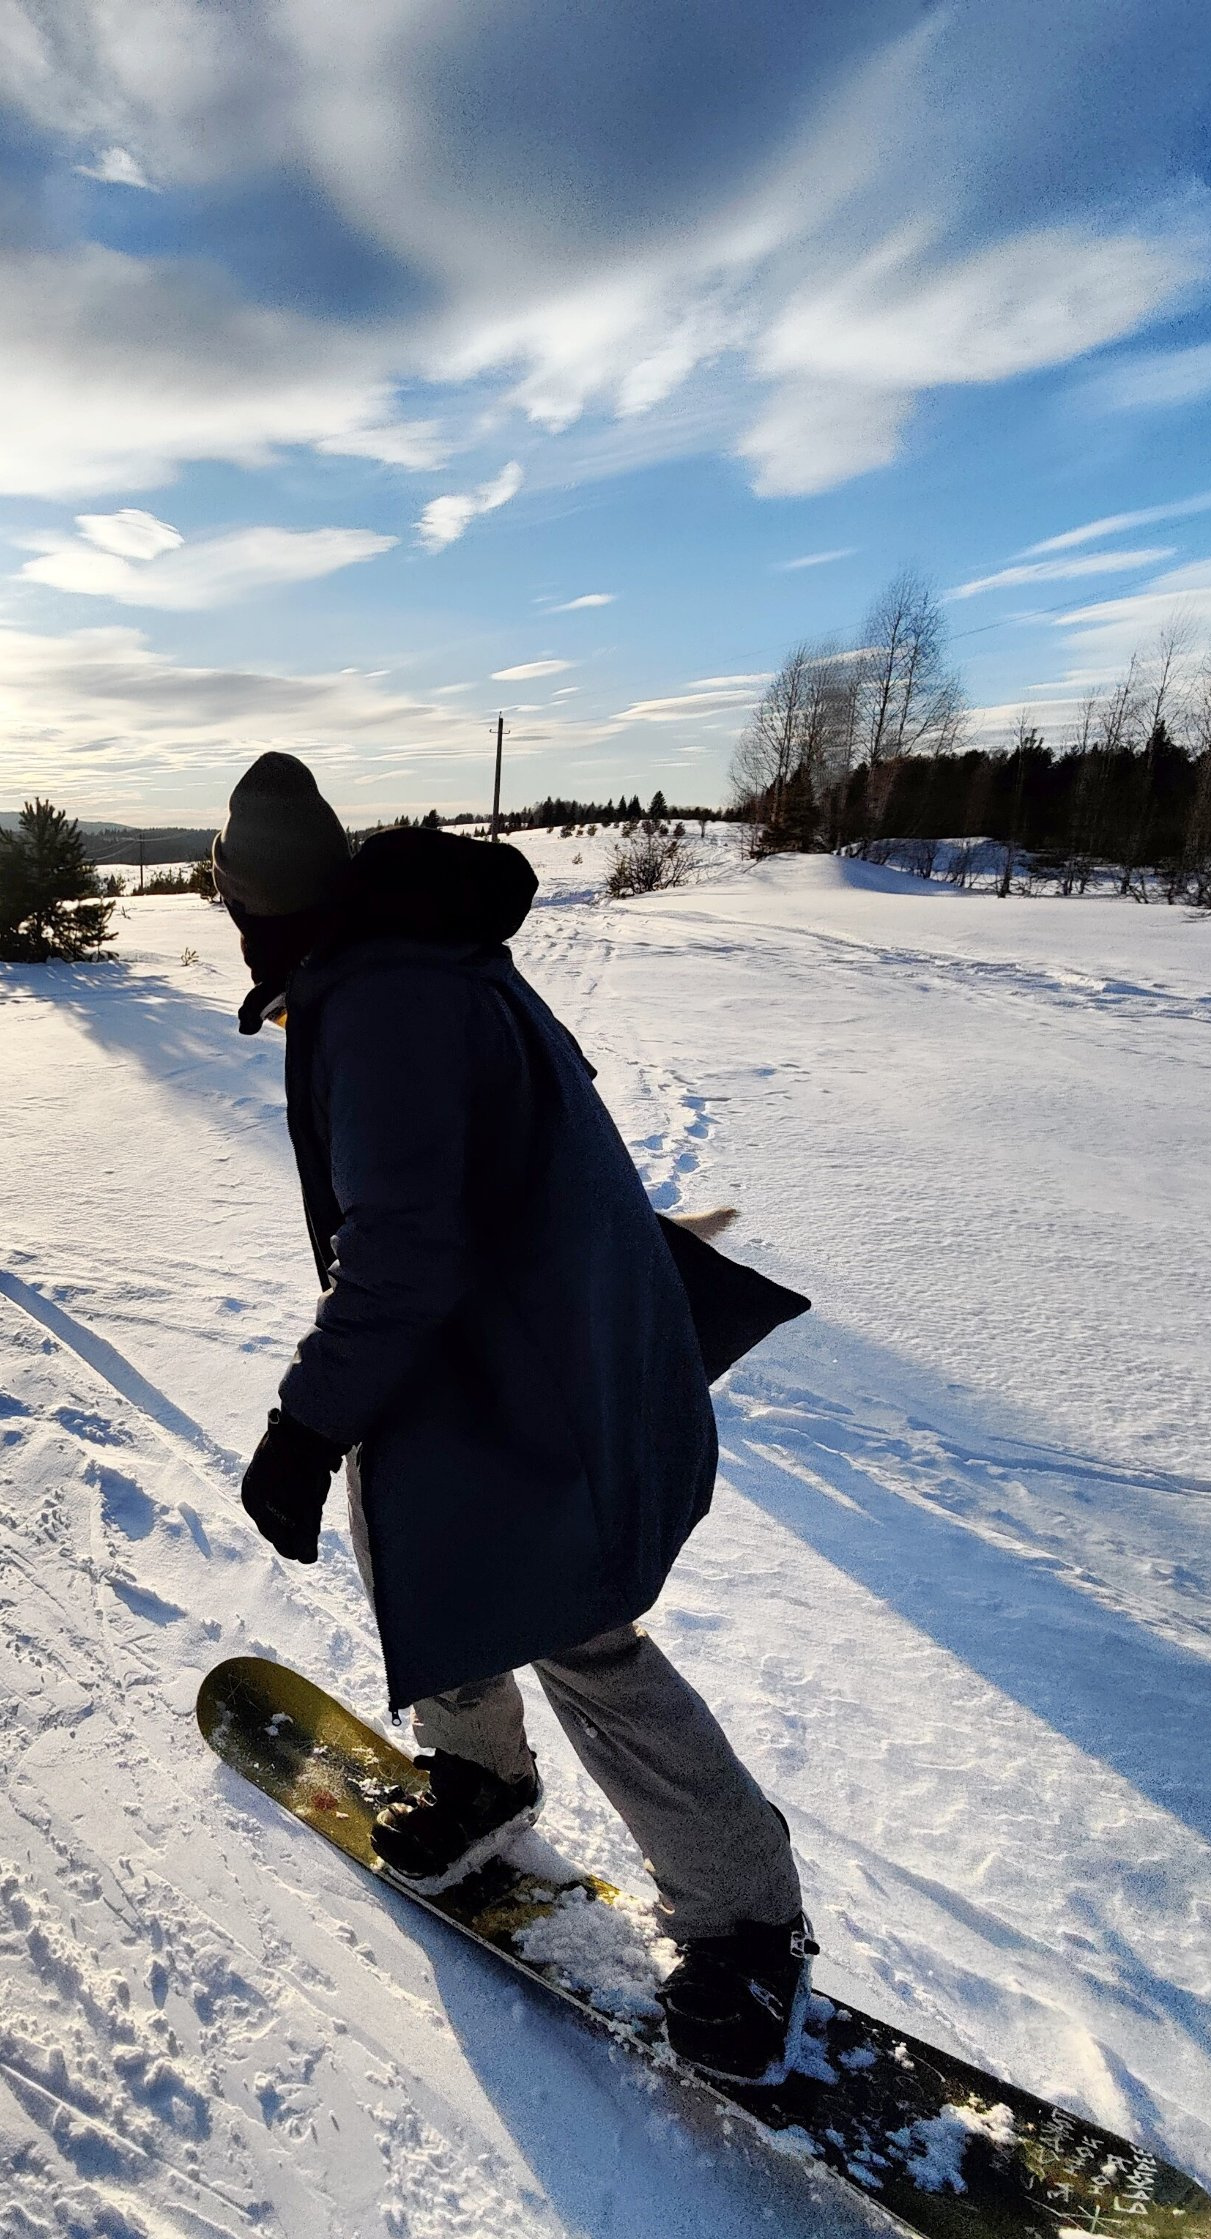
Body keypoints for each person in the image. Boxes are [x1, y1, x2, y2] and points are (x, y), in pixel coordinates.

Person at [211, 750, 816, 2084]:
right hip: (483, 1354)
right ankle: (477, 1772)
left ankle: (750, 1915)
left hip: (525, 1366)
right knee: (419, 1545)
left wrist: (301, 1429)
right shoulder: (401, 957)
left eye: (235, 905)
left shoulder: (384, 998)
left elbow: (401, 1254)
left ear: (261, 902)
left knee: (578, 1626)